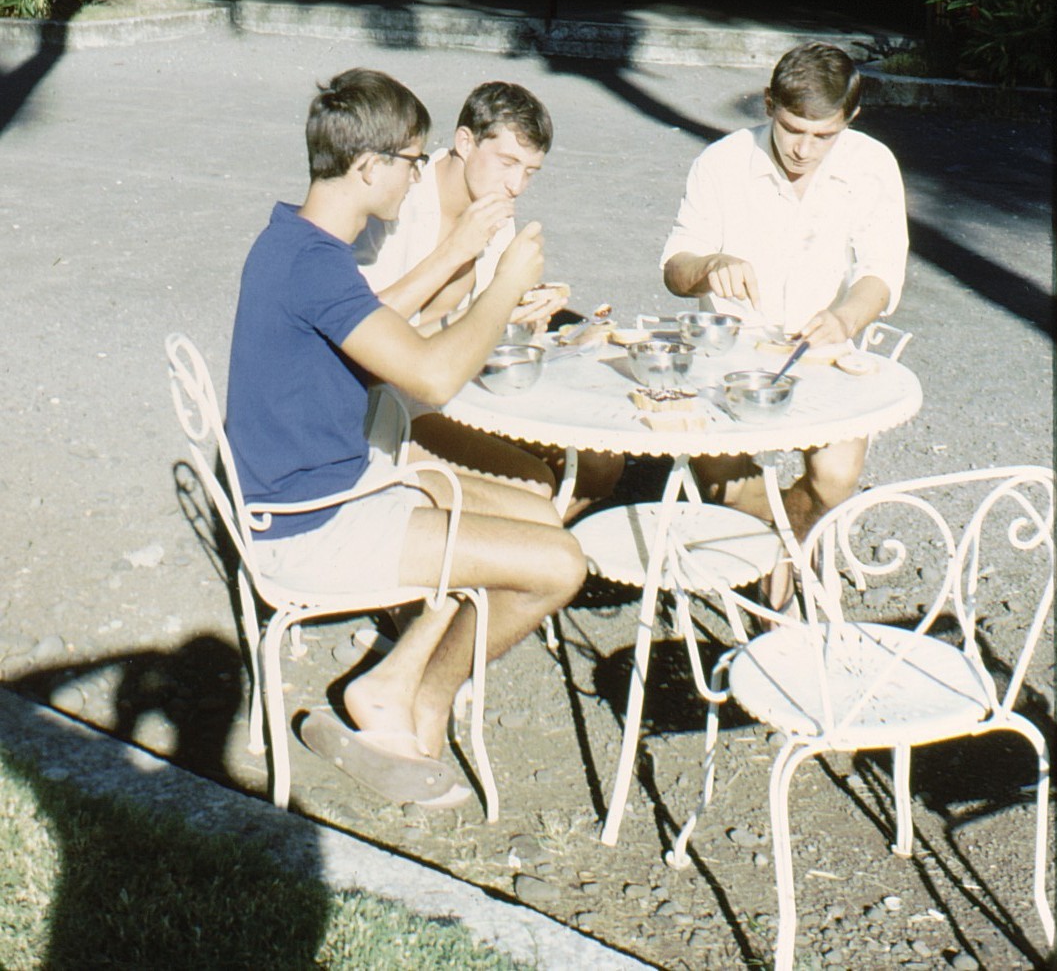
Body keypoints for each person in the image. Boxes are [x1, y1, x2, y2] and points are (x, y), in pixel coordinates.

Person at [227, 69, 586, 807]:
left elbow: (380, 318)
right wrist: (501, 287)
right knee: (559, 565)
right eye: (413, 162)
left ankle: (394, 678)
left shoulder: (297, 241)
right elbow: (433, 377)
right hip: (311, 524)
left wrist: (467, 264)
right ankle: (418, 697)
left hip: (336, 484)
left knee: (536, 513)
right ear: (370, 166)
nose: (420, 176)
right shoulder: (318, 266)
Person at [660, 42, 908, 574]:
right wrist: (709, 264)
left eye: (824, 136)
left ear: (850, 119)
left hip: (822, 352)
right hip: (729, 355)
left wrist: (844, 318)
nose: (804, 150)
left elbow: (881, 273)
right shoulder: (722, 162)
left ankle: (776, 556)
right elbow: (674, 269)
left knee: (835, 479)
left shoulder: (871, 164)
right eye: (793, 129)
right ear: (769, 104)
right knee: (720, 479)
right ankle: (786, 554)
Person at [356, 80, 623, 515]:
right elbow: (363, 331)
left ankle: (524, 543)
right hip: (387, 404)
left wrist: (522, 313)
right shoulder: (399, 200)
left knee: (601, 464)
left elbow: (485, 323)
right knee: (533, 484)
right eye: (507, 162)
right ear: (465, 142)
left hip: (463, 387)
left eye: (530, 171)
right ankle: (508, 542)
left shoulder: (494, 211)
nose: (516, 184)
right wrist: (462, 263)